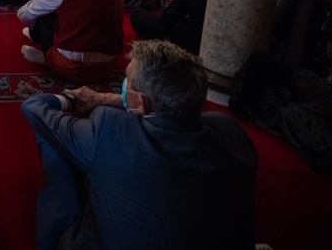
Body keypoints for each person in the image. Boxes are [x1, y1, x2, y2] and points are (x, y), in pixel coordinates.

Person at [22, 40, 257, 250]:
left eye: (127, 82)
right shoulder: (231, 131)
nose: (123, 86)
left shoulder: (109, 130)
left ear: (141, 101)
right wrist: (106, 99)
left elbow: (34, 108)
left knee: (51, 136)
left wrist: (70, 100)